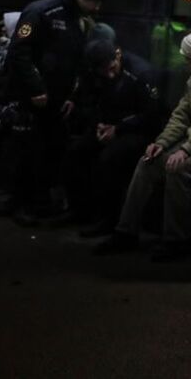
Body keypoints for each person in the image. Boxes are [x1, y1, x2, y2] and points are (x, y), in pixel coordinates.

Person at [94, 31, 191, 261]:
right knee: (147, 161)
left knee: (177, 167)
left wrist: (185, 150)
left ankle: (177, 240)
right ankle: (126, 231)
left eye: (188, 57)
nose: (185, 62)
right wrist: (161, 142)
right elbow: (180, 116)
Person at [5, 0, 109, 226]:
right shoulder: (42, 12)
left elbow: (72, 61)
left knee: (48, 151)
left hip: (56, 98)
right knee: (29, 151)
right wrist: (35, 88)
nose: (98, 8)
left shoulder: (75, 18)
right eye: (95, 1)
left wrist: (71, 95)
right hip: (35, 97)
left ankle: (37, 202)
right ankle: (23, 204)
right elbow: (20, 52)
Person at [62, 39, 162, 235]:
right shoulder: (93, 70)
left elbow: (151, 115)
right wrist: (98, 124)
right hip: (106, 125)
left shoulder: (141, 72)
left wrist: (119, 128)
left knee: (109, 159)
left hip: (137, 130)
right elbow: (92, 100)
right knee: (75, 153)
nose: (109, 75)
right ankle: (79, 210)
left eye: (111, 68)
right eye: (103, 72)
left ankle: (109, 220)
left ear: (118, 55)